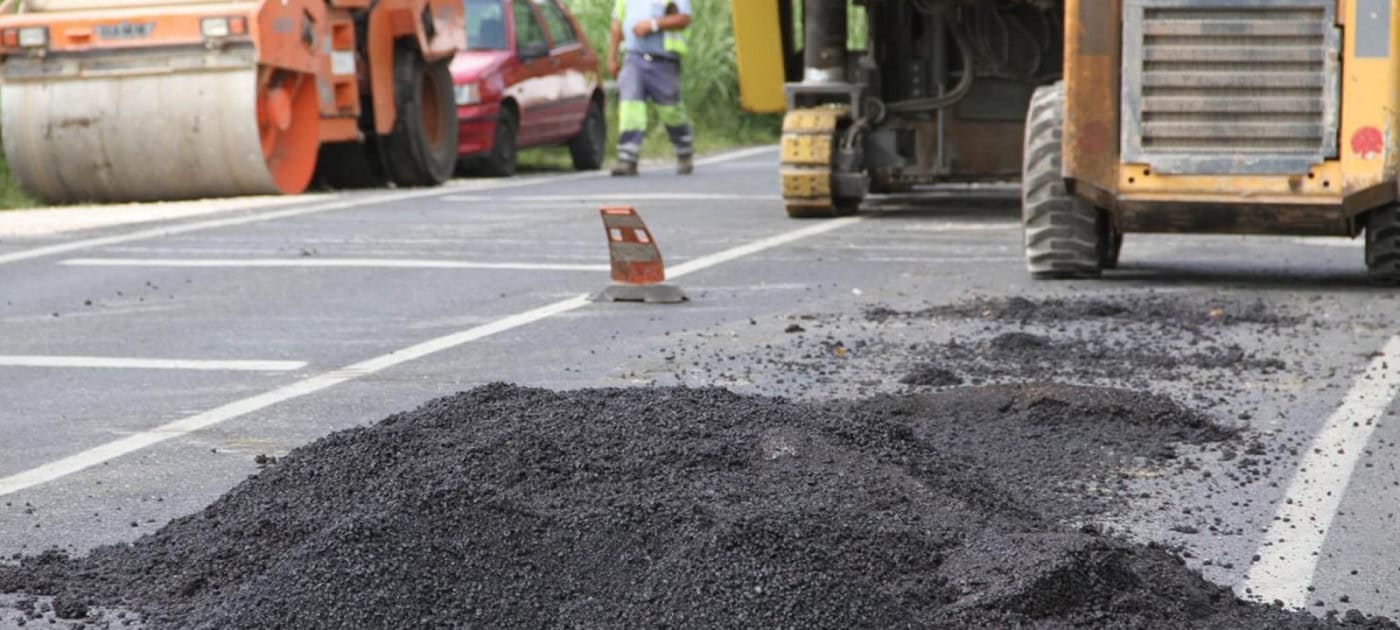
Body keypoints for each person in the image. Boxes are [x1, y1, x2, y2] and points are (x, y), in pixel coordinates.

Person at [608, 0, 693, 176]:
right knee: (630, 107)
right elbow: (617, 25)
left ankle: (684, 150)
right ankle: (627, 159)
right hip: (633, 58)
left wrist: (653, 25)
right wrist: (612, 58)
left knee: (671, 111)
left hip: (664, 60)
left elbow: (684, 19)